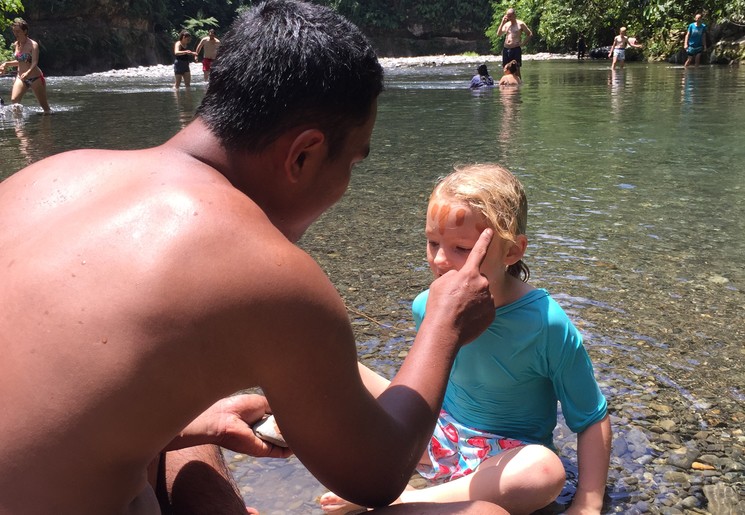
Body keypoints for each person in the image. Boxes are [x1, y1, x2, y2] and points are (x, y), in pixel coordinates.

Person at [0, 2, 508, 514]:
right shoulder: (269, 271)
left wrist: (191, 425)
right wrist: (445, 323)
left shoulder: (53, 174)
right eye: (352, 161)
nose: (346, 184)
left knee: (185, 428)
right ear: (303, 155)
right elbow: (377, 475)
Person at [320, 164, 612, 515]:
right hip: (437, 434)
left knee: (546, 470)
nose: (440, 260)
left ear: (512, 252)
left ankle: (401, 499)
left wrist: (588, 502)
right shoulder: (427, 305)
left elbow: (592, 417)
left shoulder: (546, 324)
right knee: (333, 363)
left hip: (504, 460)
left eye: (462, 248)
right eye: (432, 243)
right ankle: (296, 424)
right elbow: (423, 383)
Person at [0, 18, 51, 113]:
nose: (16, 34)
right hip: (21, 77)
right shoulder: (16, 44)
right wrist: (6, 64)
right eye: (14, 31)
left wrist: (27, 72)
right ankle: (19, 126)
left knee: (45, 107)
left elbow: (34, 62)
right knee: (14, 100)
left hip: (35, 77)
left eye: (18, 31)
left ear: (25, 31)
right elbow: (20, 61)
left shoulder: (33, 45)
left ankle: (46, 125)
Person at [496, 8, 532, 80]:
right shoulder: (506, 24)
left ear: (514, 15)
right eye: (507, 16)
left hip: (515, 49)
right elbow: (499, 34)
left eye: (510, 16)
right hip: (506, 48)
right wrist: (502, 22)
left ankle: (518, 83)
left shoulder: (520, 24)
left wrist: (523, 43)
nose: (509, 18)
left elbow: (530, 34)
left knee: (516, 68)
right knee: (506, 68)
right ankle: (507, 83)